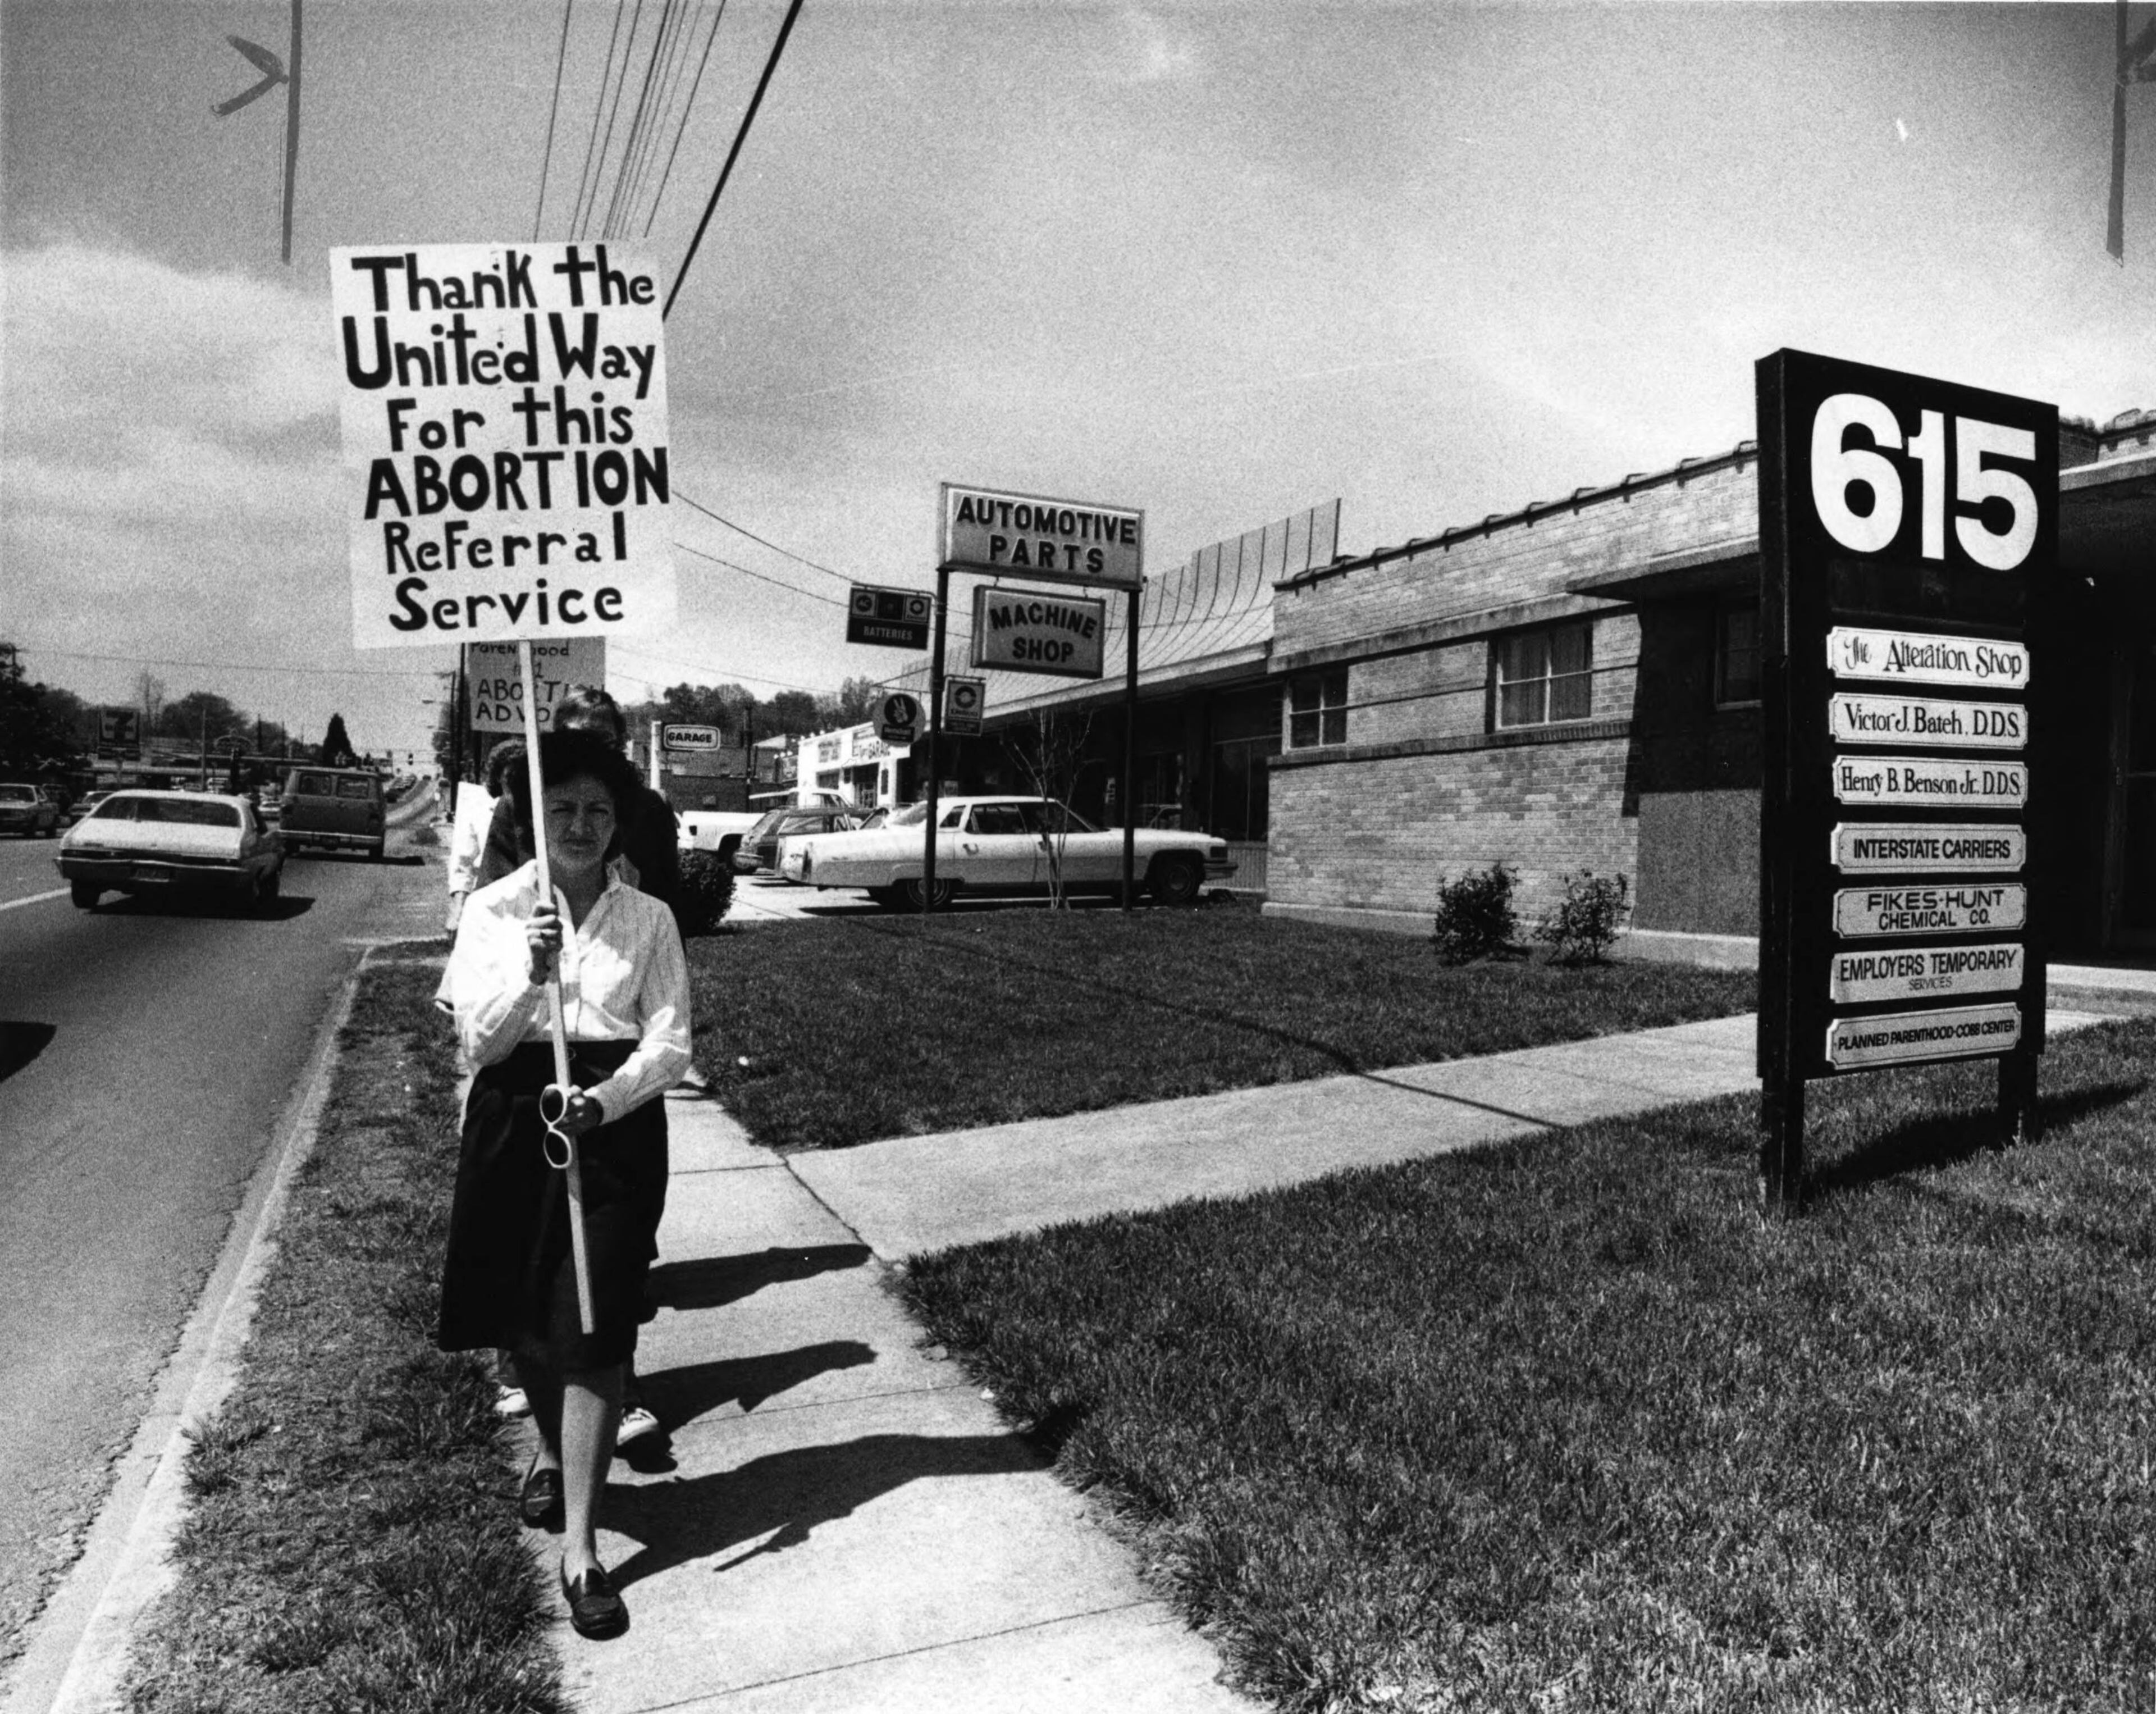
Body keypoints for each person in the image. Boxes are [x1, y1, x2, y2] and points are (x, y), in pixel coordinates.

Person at [436, 728, 691, 1640]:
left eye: (598, 810)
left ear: (619, 822)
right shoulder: (495, 911)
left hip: (612, 1131)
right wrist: (532, 975)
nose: (581, 825)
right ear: (531, 818)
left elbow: (670, 1041)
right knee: (532, 1329)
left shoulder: (649, 918)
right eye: (563, 809)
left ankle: (581, 1547)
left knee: (594, 1329)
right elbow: (473, 1046)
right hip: (515, 1121)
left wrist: (609, 1100)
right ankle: (552, 1451)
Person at [473, 688, 680, 1448]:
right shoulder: (516, 808)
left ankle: (615, 1384)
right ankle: (523, 1367)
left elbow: (662, 894)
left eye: (604, 741)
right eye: (571, 738)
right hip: (535, 1028)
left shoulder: (644, 810)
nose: (589, 751)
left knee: (617, 1246)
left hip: (615, 1012)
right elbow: (497, 900)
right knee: (528, 1236)